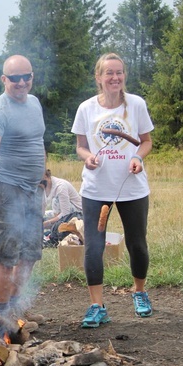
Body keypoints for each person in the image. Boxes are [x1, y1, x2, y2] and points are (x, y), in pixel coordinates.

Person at [72, 52, 154, 328]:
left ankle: (139, 292)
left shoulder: (136, 105)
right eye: (109, 73)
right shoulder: (86, 109)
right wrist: (87, 158)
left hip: (132, 188)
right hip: (96, 189)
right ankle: (97, 305)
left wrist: (137, 158)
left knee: (137, 244)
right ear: (98, 77)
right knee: (93, 247)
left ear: (124, 76)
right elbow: (81, 146)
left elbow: (145, 142)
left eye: (119, 73)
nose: (114, 78)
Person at [0, 55, 46, 325]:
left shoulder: (35, 103)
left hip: (32, 190)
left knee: (29, 255)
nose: (22, 82)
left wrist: (43, 179)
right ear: (4, 79)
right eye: (15, 78)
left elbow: (38, 143)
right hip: (6, 190)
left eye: (26, 76)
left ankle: (17, 310)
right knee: (6, 256)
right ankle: (1, 315)